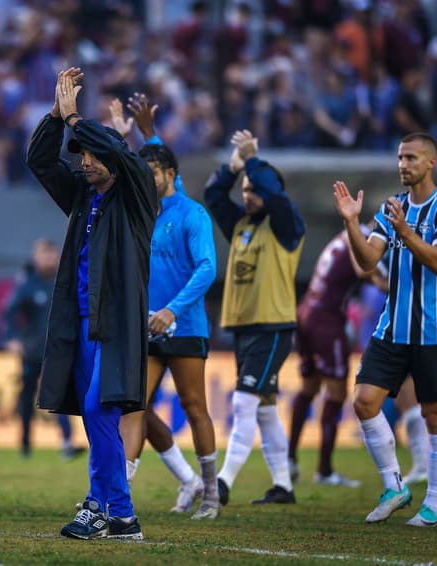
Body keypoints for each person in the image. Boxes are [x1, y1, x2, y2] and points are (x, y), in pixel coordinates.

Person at [26, 66, 155, 540]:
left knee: (101, 410)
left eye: (90, 157)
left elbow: (124, 154)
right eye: (80, 157)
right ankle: (110, 512)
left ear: (113, 159)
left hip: (116, 323)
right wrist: (56, 118)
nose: (82, 163)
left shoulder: (137, 195)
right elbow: (40, 162)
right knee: (92, 413)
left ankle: (113, 510)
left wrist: (78, 118)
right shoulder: (84, 197)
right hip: (79, 322)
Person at [333, 132, 437, 527]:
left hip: (433, 331)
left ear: (430, 163)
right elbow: (369, 259)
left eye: (410, 158)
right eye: (399, 158)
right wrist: (353, 224)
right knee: (364, 400)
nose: (402, 164)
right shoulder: (392, 207)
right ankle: (394, 486)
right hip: (393, 328)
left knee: (436, 416)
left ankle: (433, 505)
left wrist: (406, 233)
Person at [111, 93, 219, 519]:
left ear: (170, 174)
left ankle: (209, 494)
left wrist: (172, 309)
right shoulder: (143, 212)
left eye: (152, 170)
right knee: (134, 404)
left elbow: (208, 268)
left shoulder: (192, 214)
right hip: (147, 327)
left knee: (194, 408)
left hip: (185, 325)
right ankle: (119, 496)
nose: (145, 175)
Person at [203, 128, 305, 508]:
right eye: (244, 190)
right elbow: (213, 196)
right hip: (246, 326)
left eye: (253, 189)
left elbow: (274, 193)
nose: (247, 196)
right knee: (263, 408)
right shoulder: (241, 225)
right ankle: (283, 486)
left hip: (273, 326)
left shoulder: (286, 224)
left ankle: (223, 483)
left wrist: (252, 160)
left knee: (244, 403)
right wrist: (232, 167)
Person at [288, 222, 387, 488]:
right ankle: (324, 470)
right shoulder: (366, 240)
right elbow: (363, 267)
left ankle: (289, 460)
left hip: (307, 310)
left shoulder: (345, 235)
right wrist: (386, 282)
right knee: (336, 394)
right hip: (325, 320)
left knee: (308, 387)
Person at [2, 238, 84, 460]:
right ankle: (25, 444)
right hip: (32, 352)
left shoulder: (65, 283)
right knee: (27, 397)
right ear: (37, 258)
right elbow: (8, 314)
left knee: (60, 397)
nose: (50, 259)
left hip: (58, 352)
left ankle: (67, 443)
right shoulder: (28, 285)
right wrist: (12, 339)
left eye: (53, 255)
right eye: (45, 255)